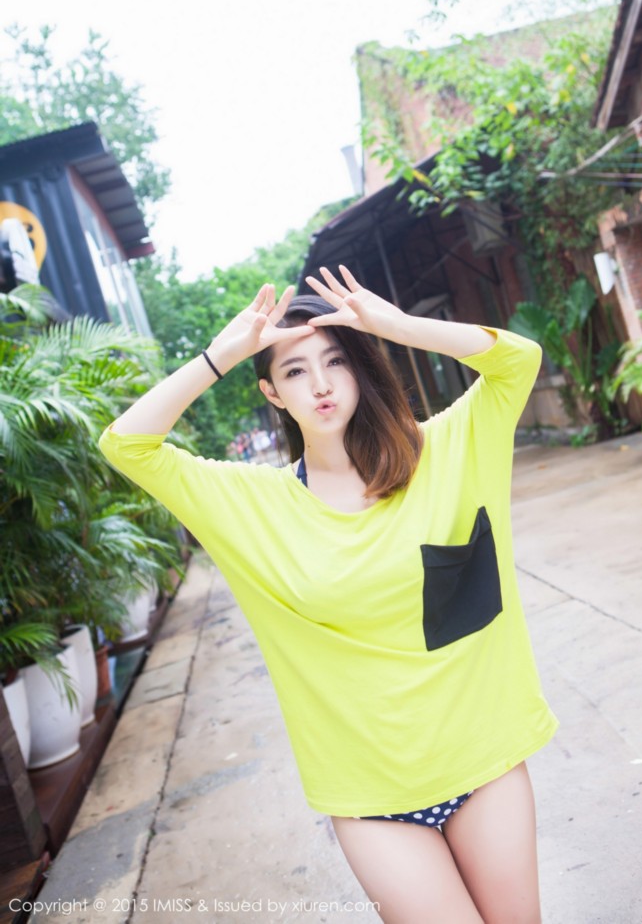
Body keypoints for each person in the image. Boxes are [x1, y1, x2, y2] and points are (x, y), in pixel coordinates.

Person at [99, 266, 558, 924]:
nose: (320, 383)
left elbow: (518, 361)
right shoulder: (251, 505)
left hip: (484, 760)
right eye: (294, 370)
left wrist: (400, 328)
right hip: (371, 797)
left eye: (336, 361)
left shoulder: (447, 450)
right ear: (272, 392)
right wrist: (219, 357)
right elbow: (127, 445)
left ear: (359, 369)